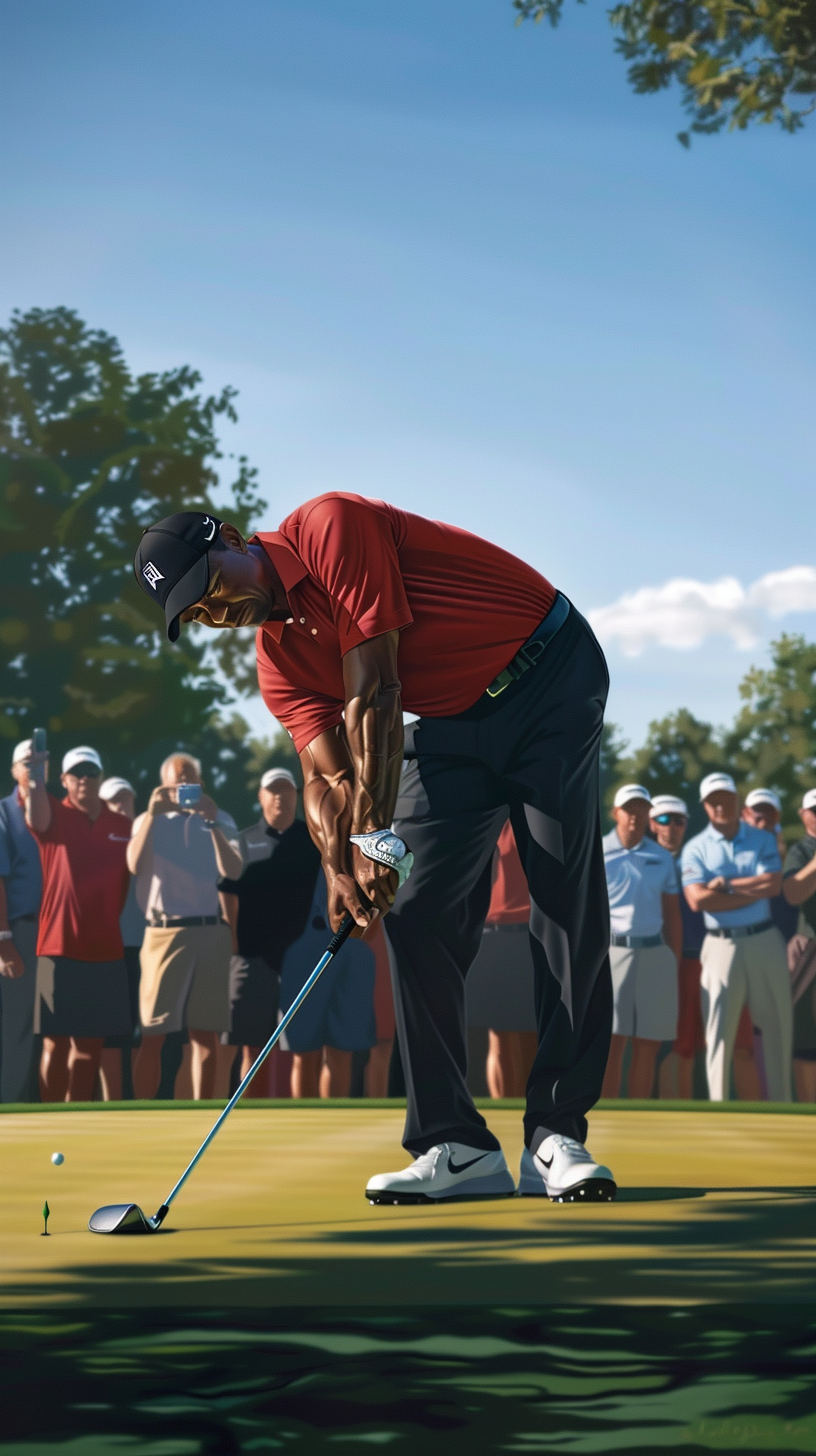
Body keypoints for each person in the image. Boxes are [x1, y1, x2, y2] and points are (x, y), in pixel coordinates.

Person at [133, 499, 616, 1204]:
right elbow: (327, 776)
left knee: (562, 899)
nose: (214, 612)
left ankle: (555, 1133)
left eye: (209, 588)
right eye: (196, 615)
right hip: (451, 719)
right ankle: (454, 1143)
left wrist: (374, 840)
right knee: (415, 911)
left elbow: (376, 691)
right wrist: (341, 869)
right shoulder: (279, 664)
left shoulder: (331, 527)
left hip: (549, 673)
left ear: (233, 540)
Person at [128, 752, 242, 1100]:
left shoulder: (220, 819)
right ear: (163, 786)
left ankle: (202, 1117)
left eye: (188, 779)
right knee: (152, 1033)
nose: (182, 785)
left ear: (200, 783)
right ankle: (141, 1115)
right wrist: (150, 813)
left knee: (205, 1034)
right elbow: (133, 864)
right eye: (175, 780)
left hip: (210, 931)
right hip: (163, 931)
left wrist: (211, 825)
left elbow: (233, 871)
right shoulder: (148, 821)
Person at [24, 746, 132, 1102]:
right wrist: (36, 776)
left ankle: (76, 1116)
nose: (84, 779)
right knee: (55, 1043)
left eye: (91, 772)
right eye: (77, 773)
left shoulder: (123, 826)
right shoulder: (53, 813)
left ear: (100, 777)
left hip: (105, 951)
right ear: (64, 780)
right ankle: (50, 1115)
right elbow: (36, 816)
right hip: (58, 947)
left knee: (90, 1046)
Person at [681, 772, 792, 1102]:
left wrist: (725, 884)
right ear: (704, 806)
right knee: (719, 1032)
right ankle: (718, 1106)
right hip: (719, 943)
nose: (721, 805)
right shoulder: (695, 848)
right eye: (713, 800)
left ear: (736, 801)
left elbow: (772, 885)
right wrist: (750, 888)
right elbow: (698, 900)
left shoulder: (763, 840)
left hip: (764, 939)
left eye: (726, 798)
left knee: (777, 1029)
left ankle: (783, 1106)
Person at [218, 767, 319, 1096]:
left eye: (286, 790)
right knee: (252, 1047)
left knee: (305, 1047)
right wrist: (232, 937)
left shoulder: (315, 840)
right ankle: (249, 1120)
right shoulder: (244, 840)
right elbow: (228, 890)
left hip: (304, 956)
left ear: (297, 796)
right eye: (272, 790)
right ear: (261, 797)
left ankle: (304, 1126)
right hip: (253, 954)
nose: (279, 796)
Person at [600, 785, 682, 1099]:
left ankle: (639, 1111)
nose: (635, 816)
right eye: (628, 809)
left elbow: (672, 913)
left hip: (654, 952)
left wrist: (671, 958)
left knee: (648, 1042)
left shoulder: (661, 856)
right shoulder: (596, 849)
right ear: (616, 813)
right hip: (612, 951)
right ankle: (606, 1113)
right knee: (612, 1040)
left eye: (641, 809)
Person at [465, 820, 537, 1098]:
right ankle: (504, 1108)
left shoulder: (534, 820)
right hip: (491, 935)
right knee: (499, 1036)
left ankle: (530, 1110)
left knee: (531, 1035)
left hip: (531, 934)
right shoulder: (483, 823)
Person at [648, 794, 705, 1099]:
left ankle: (681, 1112)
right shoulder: (641, 861)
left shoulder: (698, 860)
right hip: (653, 958)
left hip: (694, 960)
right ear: (652, 823)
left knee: (685, 1046)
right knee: (655, 1043)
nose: (671, 827)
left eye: (678, 820)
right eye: (664, 819)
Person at [0, 740, 44, 1102]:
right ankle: (11, 1106)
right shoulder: (3, 813)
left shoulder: (58, 811)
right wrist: (3, 939)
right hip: (21, 931)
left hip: (59, 934)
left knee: (53, 1027)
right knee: (16, 1027)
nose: (35, 769)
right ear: (14, 770)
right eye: (28, 764)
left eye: (41, 762)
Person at [98, 776, 145, 1100]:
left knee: (146, 1033)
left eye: (126, 799)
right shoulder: (96, 840)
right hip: (107, 949)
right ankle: (112, 1103)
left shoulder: (149, 834)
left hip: (148, 947)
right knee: (111, 1034)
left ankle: (141, 1103)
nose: (121, 806)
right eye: (114, 801)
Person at [782, 788, 816, 1101]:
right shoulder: (801, 851)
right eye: (815, 811)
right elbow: (793, 893)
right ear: (804, 815)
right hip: (812, 949)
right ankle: (809, 1112)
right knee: (807, 1038)